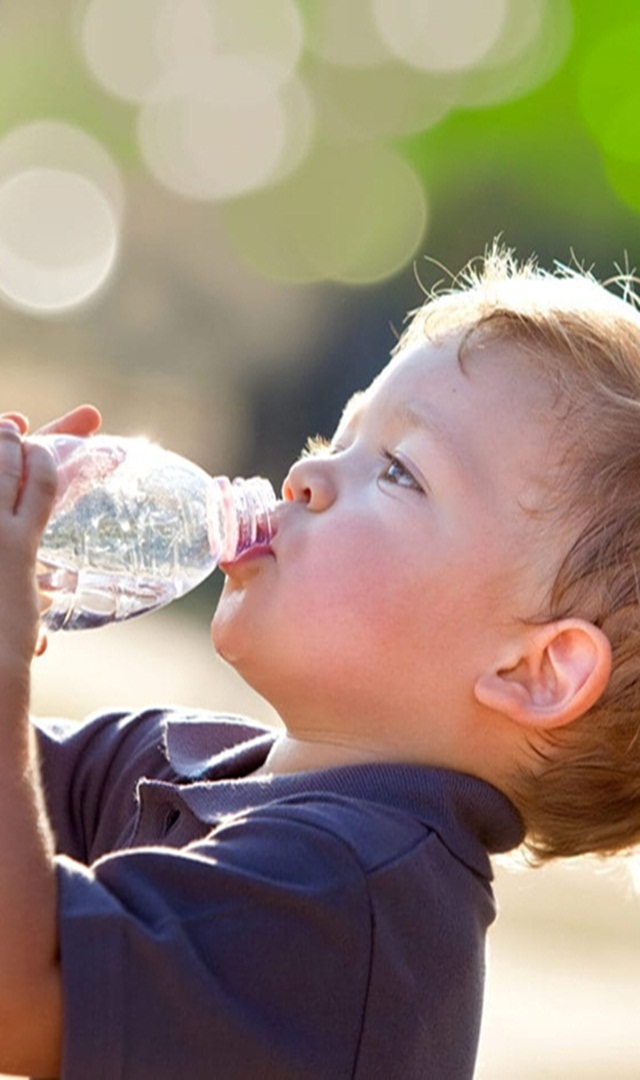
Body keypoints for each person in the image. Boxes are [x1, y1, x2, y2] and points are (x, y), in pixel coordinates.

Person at [0, 244, 638, 1078]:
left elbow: (21, 990)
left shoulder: (356, 896)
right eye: (336, 436)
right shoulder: (181, 763)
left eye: (400, 472)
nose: (304, 474)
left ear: (535, 670)